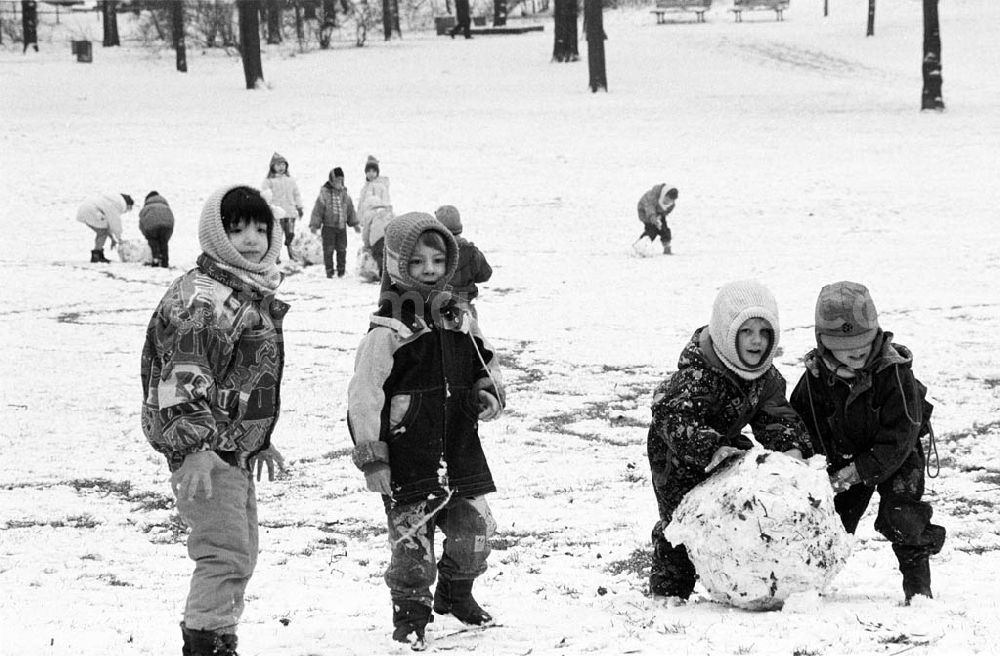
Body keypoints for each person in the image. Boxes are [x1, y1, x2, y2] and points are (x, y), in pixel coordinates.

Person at [140, 184, 288, 656]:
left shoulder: (242, 291)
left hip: (230, 448)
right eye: (237, 228)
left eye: (261, 229)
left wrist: (256, 436)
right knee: (223, 553)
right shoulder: (202, 299)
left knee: (239, 551)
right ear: (215, 233)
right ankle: (206, 643)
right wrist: (197, 448)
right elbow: (183, 373)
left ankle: (218, 634)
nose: (251, 239)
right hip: (205, 451)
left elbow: (242, 374)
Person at [347, 212, 505, 648]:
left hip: (459, 447)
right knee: (413, 549)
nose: (430, 270)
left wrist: (488, 392)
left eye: (438, 260)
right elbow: (364, 394)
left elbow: (483, 363)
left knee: (474, 533)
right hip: (407, 454)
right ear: (398, 266)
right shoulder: (389, 330)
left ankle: (457, 595)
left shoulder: (460, 318)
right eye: (417, 263)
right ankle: (410, 614)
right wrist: (372, 454)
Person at [646, 279, 814, 600]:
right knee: (681, 524)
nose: (756, 341)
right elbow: (672, 415)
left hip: (725, 448)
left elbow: (775, 414)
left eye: (764, 332)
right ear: (727, 331)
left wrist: (792, 449)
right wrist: (712, 447)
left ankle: (736, 576)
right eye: (746, 331)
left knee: (728, 515)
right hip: (677, 454)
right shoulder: (698, 375)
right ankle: (669, 593)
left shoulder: (764, 377)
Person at [789, 281, 945, 604]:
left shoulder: (894, 372)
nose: (857, 351)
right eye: (845, 346)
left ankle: (918, 588)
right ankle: (806, 586)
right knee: (832, 520)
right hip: (844, 458)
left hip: (896, 455)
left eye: (864, 342)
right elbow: (805, 428)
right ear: (824, 344)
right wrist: (818, 472)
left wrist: (858, 471)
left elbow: (902, 433)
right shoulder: (815, 380)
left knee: (902, 516)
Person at [434, 205, 492, 315]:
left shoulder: (432, 253)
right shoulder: (472, 252)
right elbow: (485, 274)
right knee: (471, 331)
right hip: (465, 308)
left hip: (437, 308)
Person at [309, 167, 359, 278]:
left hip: (342, 228)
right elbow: (318, 210)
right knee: (328, 249)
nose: (338, 183)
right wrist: (314, 225)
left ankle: (341, 270)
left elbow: (350, 209)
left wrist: (354, 223)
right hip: (328, 227)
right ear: (331, 181)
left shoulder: (345, 195)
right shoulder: (324, 194)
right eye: (336, 181)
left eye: (341, 181)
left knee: (342, 249)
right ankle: (329, 270)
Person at [260, 152, 303, 261]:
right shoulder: (268, 181)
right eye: (278, 165)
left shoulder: (290, 180)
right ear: (272, 167)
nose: (281, 167)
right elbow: (265, 196)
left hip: (290, 213)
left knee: (291, 235)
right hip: (276, 214)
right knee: (276, 237)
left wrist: (299, 207)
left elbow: (296, 194)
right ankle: (275, 257)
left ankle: (293, 255)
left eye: (283, 165)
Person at [358, 155, 393, 278]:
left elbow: (384, 203)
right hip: (373, 219)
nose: (371, 174)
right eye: (368, 171)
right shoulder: (366, 186)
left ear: (377, 172)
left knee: (378, 251)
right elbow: (362, 205)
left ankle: (382, 274)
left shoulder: (379, 186)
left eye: (373, 171)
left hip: (377, 220)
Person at [76, 192, 134, 263]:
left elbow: (108, 225)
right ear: (126, 204)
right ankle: (96, 256)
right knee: (102, 233)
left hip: (85, 211)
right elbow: (115, 222)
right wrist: (119, 238)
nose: (127, 211)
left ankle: (98, 254)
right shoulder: (116, 204)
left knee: (102, 232)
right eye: (129, 208)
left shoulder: (111, 200)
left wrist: (112, 238)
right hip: (91, 212)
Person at [633, 183, 678, 255]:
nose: (667, 202)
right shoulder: (653, 196)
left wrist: (660, 216)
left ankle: (667, 247)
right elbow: (649, 208)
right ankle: (639, 245)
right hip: (645, 212)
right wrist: (654, 219)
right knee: (652, 231)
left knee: (664, 230)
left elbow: (667, 211)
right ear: (664, 195)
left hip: (658, 213)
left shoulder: (671, 204)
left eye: (670, 201)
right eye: (666, 199)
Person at [138, 190, 175, 268]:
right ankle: (165, 262)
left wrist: (147, 235)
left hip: (151, 226)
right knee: (164, 242)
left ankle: (156, 260)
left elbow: (141, 223)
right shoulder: (165, 205)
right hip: (167, 226)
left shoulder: (146, 207)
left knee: (153, 242)